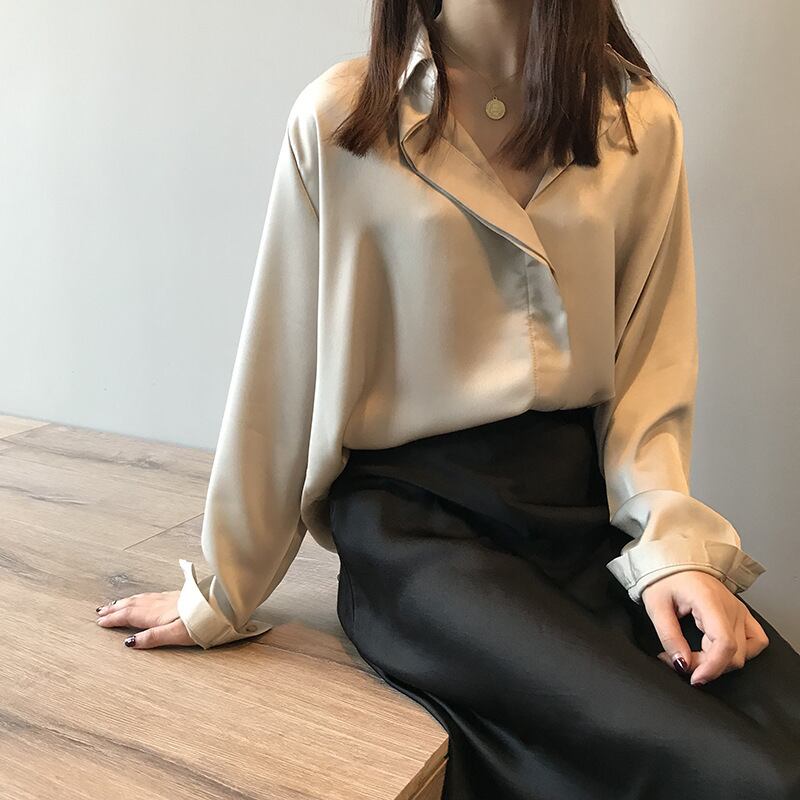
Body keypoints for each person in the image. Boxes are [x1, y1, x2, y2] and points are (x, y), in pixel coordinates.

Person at [96, 0, 800, 796]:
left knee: (774, 734)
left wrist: (672, 551)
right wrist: (225, 591)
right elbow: (281, 371)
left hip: (584, 516)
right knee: (725, 771)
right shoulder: (342, 121)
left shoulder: (639, 125)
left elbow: (649, 375)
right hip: (414, 531)